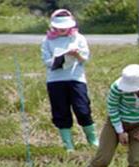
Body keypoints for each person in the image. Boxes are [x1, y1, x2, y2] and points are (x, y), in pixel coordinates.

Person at [41, 9, 98, 152]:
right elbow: (47, 61)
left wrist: (76, 54)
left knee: (83, 109)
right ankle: (68, 145)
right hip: (55, 80)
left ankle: (93, 140)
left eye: (65, 27)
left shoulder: (79, 38)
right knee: (61, 112)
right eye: (59, 27)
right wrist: (59, 58)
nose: (62, 30)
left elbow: (85, 58)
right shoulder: (47, 40)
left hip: (76, 79)